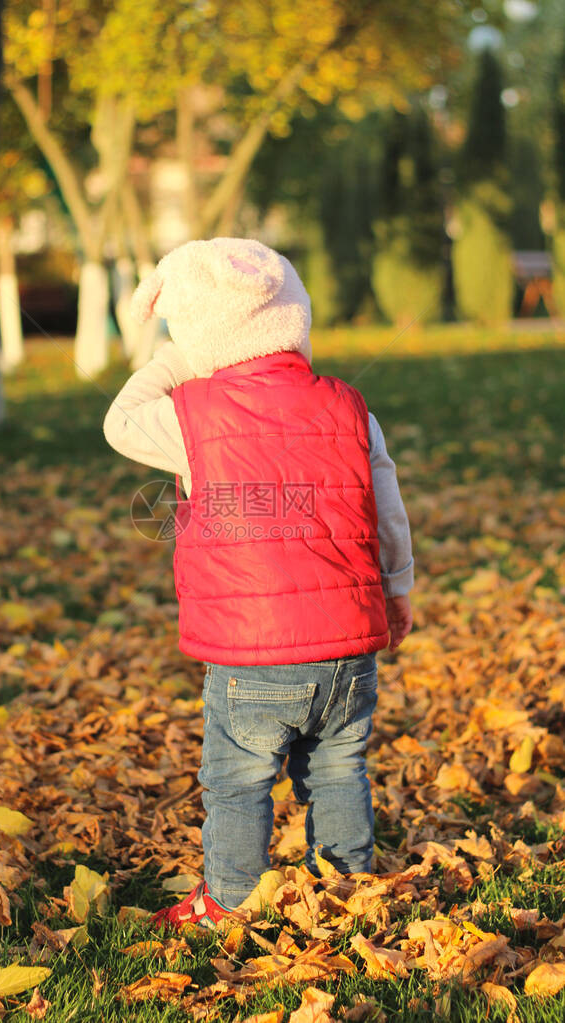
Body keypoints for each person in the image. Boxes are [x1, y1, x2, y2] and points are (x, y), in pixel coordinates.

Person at [103, 238, 414, 929]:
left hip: (251, 657)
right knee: (338, 770)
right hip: (347, 649)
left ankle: (230, 902)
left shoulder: (194, 414)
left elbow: (118, 419)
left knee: (238, 781)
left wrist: (184, 356)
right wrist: (397, 589)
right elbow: (385, 506)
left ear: (198, 332)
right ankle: (349, 892)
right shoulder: (347, 406)